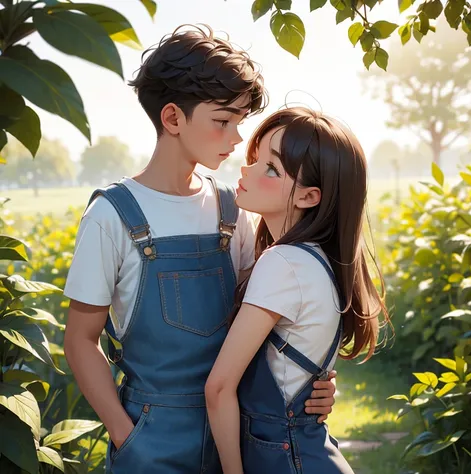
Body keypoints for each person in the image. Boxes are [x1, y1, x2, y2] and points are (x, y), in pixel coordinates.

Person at [63, 26, 337, 474]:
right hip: (152, 440)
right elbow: (80, 340)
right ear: (172, 119)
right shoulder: (110, 216)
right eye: (222, 121)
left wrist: (316, 382)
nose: (235, 139)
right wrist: (125, 435)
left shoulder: (233, 209)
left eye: (239, 123)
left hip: (240, 433)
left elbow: (270, 321)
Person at [205, 106, 390, 474]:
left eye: (271, 168)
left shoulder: (283, 263)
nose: (248, 169)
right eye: (256, 158)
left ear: (309, 197)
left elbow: (219, 389)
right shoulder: (317, 260)